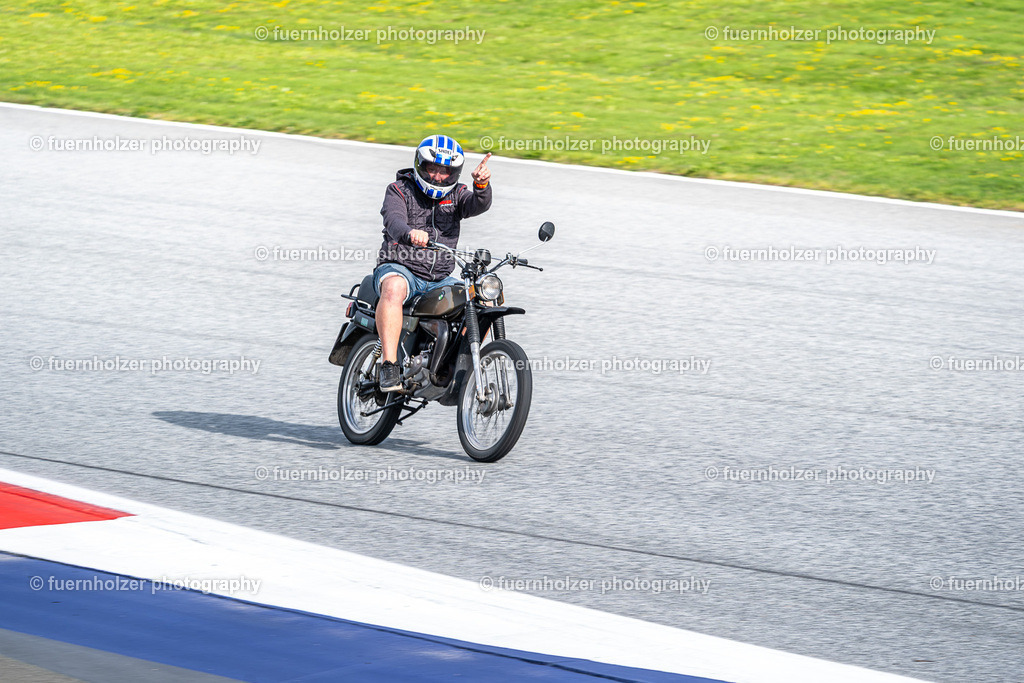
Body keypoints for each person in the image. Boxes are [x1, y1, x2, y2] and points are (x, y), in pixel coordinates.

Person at [373, 134, 492, 391]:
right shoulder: (399, 190)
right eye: (432, 168)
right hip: (400, 267)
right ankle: (389, 365)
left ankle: (457, 368)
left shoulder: (458, 194)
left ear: (454, 173)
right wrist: (408, 233)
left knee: (481, 298)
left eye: (445, 171)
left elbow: (477, 205)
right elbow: (393, 220)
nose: (438, 176)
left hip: (440, 277)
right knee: (394, 288)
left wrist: (481, 186)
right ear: (420, 164)